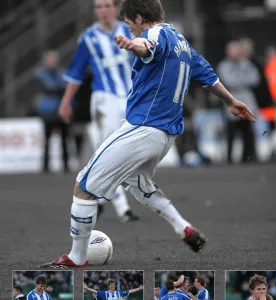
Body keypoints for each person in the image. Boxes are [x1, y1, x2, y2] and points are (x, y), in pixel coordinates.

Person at [40, 0, 255, 268]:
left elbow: (148, 46)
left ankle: (77, 257)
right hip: (165, 136)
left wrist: (134, 45)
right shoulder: (181, 41)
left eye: (129, 22)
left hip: (143, 128)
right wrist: (230, 101)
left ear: (139, 18)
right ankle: (182, 226)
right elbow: (208, 76)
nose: (129, 28)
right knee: (137, 182)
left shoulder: (154, 35)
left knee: (83, 187)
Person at [59, 0, 139, 222]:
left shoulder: (128, 31)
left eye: (106, 5)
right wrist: (66, 102)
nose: (102, 11)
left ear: (115, 8)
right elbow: (75, 73)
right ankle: (123, 208)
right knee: (109, 149)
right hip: (104, 99)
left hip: (131, 97)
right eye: (98, 7)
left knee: (128, 150)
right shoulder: (88, 37)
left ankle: (102, 198)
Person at [217, 40, 259, 164]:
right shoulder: (223, 65)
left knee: (248, 132)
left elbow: (255, 79)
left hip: (247, 103)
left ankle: (248, 158)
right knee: (231, 132)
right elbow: (228, 81)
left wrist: (239, 80)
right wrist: (243, 80)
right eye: (233, 50)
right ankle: (229, 159)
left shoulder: (246, 64)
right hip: (232, 103)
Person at [34, 50, 70, 173]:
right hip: (48, 111)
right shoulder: (41, 74)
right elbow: (51, 87)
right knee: (47, 139)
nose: (52, 62)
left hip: (61, 110)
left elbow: (66, 87)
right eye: (49, 59)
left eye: (53, 59)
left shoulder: (61, 72)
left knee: (65, 138)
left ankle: (66, 165)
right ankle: (45, 166)